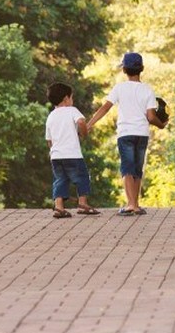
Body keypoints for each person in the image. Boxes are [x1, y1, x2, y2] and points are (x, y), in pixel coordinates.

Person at [87, 52, 166, 216]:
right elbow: (151, 117)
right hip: (142, 134)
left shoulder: (119, 88)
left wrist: (89, 124)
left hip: (125, 133)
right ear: (141, 69)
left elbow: (105, 108)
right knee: (137, 169)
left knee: (127, 169)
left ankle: (131, 204)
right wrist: (162, 125)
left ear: (124, 69)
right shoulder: (147, 90)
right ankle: (135, 204)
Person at [45, 82, 100, 218]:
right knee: (82, 177)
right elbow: (81, 122)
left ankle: (59, 207)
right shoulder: (72, 110)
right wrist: (84, 133)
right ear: (66, 99)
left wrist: (53, 151)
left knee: (60, 180)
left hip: (56, 156)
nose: (72, 100)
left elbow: (49, 139)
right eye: (72, 97)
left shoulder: (51, 116)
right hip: (72, 154)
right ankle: (82, 203)